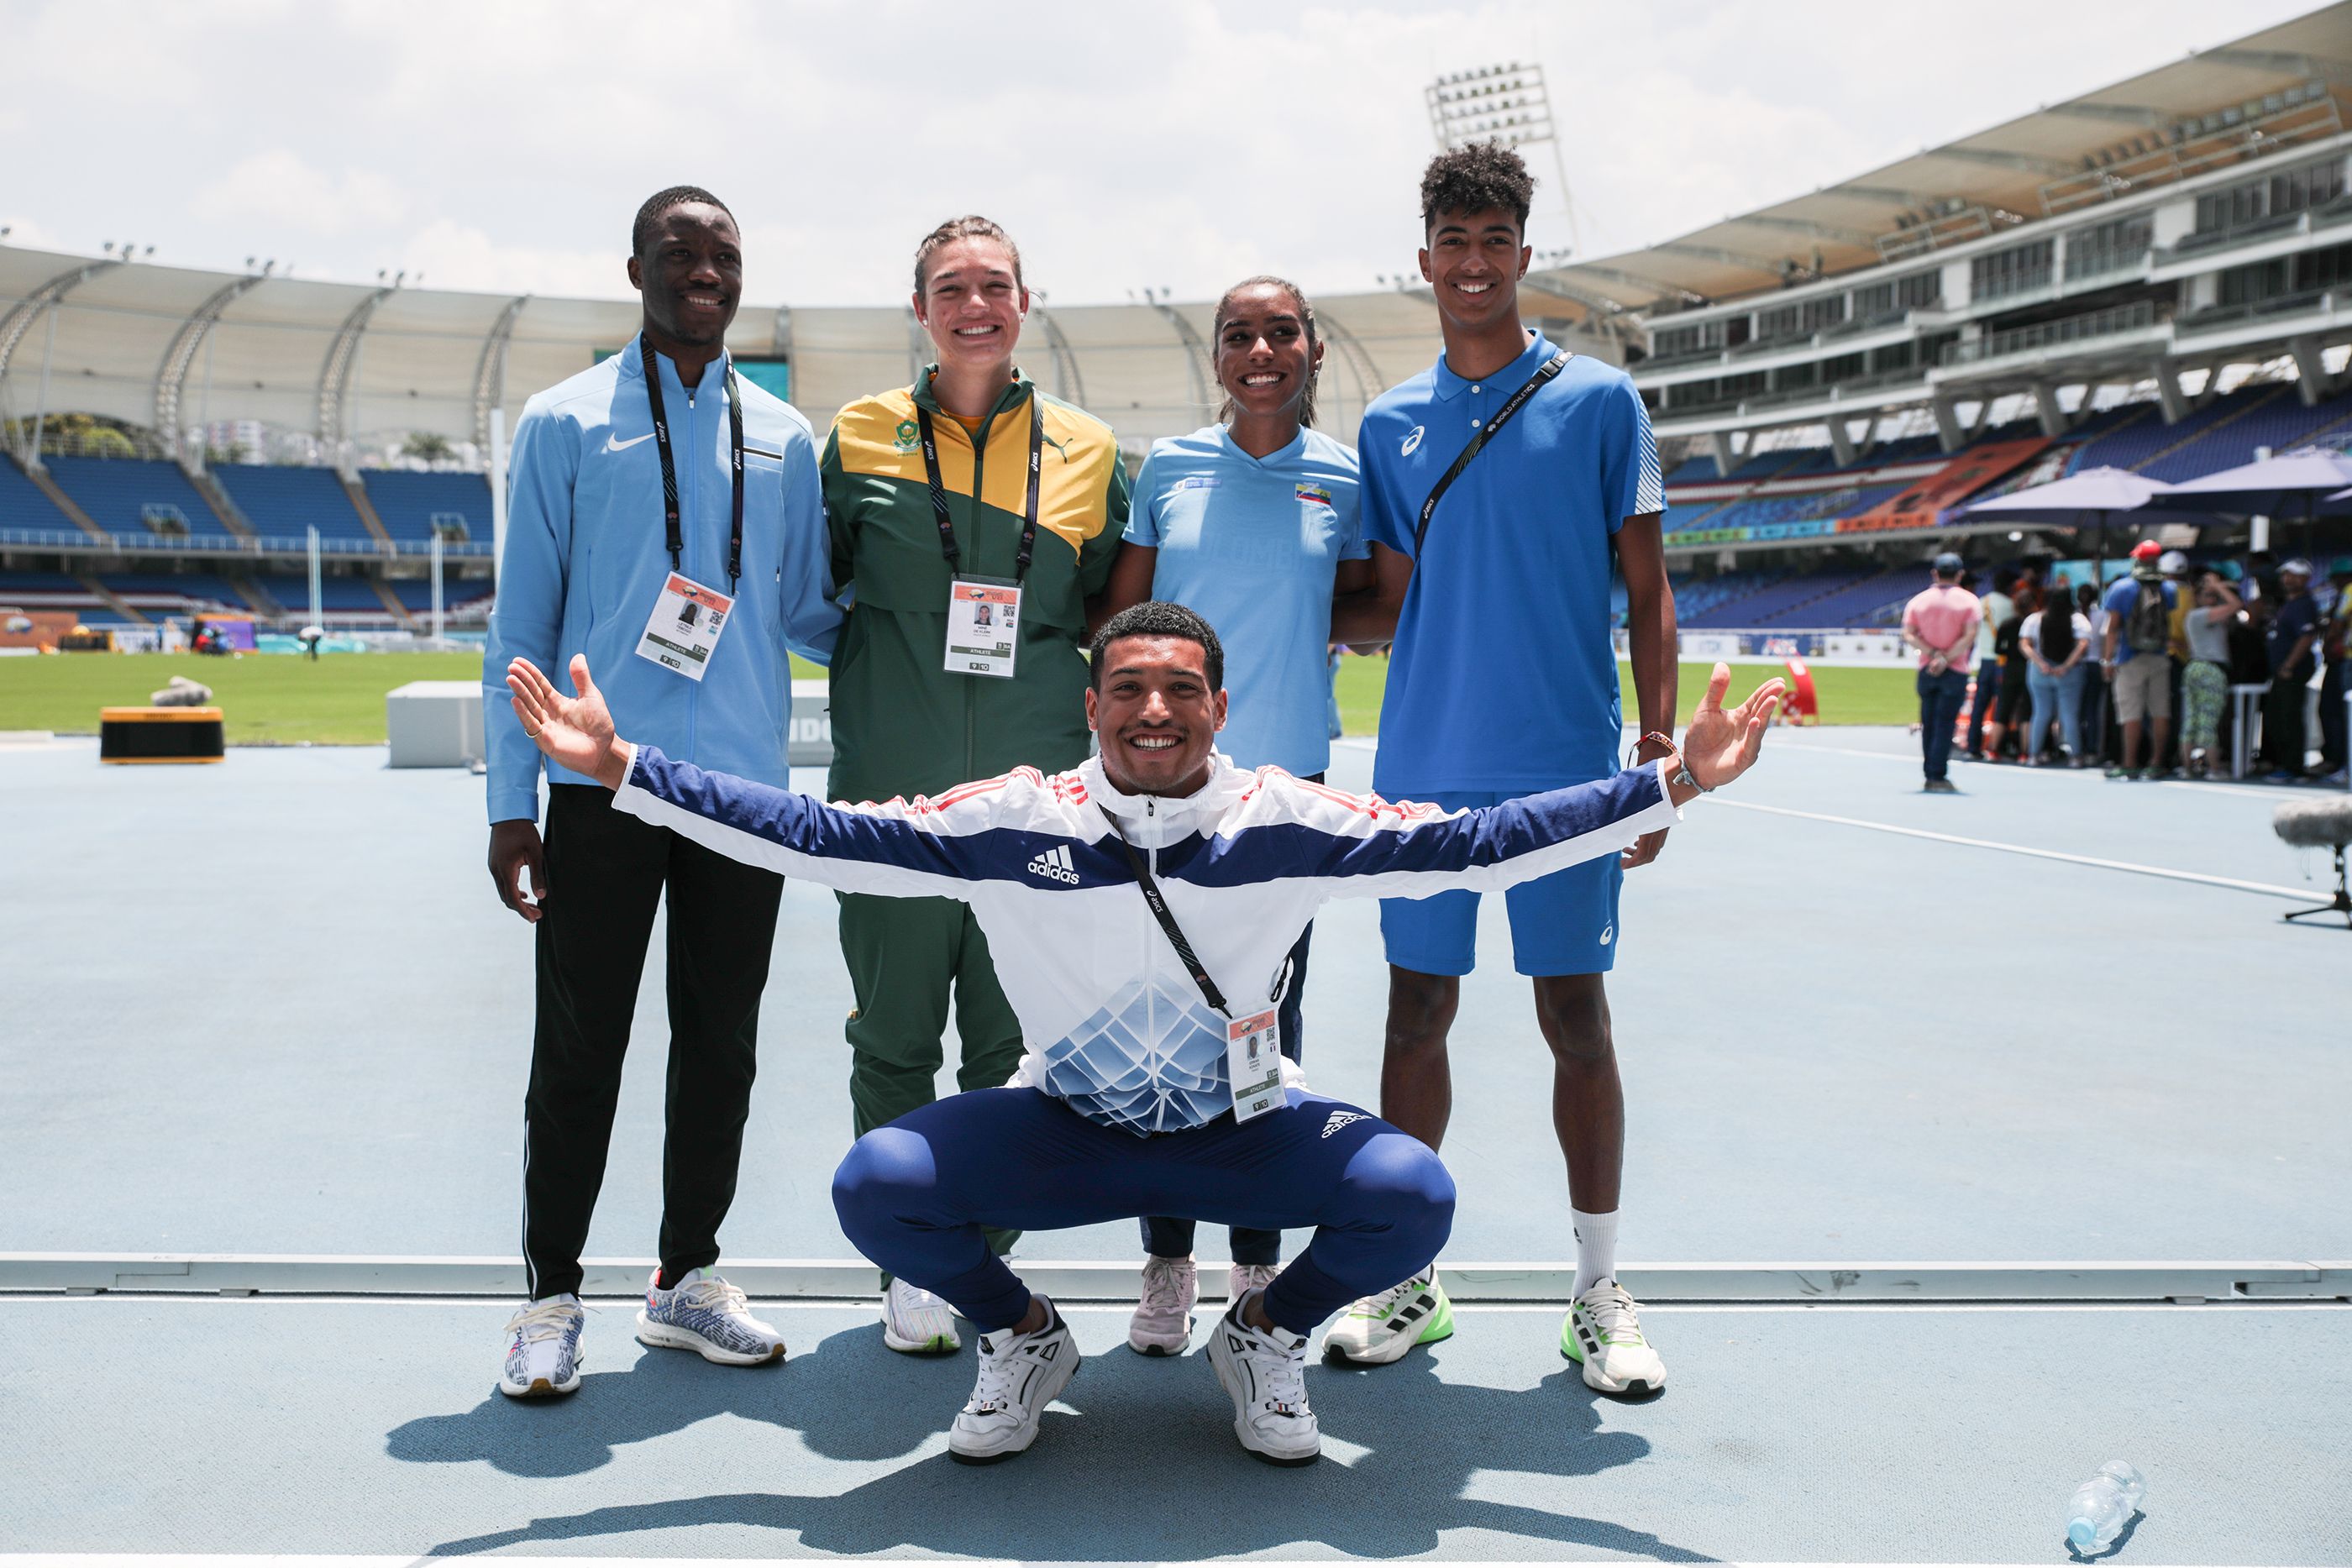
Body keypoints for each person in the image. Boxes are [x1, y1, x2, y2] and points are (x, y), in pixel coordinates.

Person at [498, 603, 1788, 1466]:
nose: (1153, 711)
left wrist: (1670, 783)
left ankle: (1265, 1333)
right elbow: (822, 835)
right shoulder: (1013, 816)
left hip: (1244, 1135)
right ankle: (1023, 1333)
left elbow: (1472, 843)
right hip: (1068, 1130)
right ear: (1092, 702)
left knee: (1411, 1192)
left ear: (1220, 704)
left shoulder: (1290, 815)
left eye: (1180, 690)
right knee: (878, 1181)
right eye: (1129, 689)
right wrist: (629, 774)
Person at [1334, 143, 1684, 1394]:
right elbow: (1379, 600)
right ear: (1424, 258)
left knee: (1575, 1016)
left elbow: (1649, 587)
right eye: (1454, 243)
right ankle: (1404, 1274)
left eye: (1495, 243)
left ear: (1524, 256)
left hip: (1563, 765)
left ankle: (1597, 1288)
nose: (1473, 264)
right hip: (1424, 763)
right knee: (1414, 1011)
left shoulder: (1600, 402)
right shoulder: (1383, 423)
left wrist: (1657, 744)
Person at [481, 186, 842, 1398]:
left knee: (721, 1046)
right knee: (578, 1048)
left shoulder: (786, 435)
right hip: (602, 786)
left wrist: (936, 635)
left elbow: (807, 611)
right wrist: (509, 800)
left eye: (724, 254)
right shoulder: (565, 423)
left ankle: (687, 1276)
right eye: (679, 253)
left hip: (739, 793)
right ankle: (550, 1294)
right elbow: (520, 624)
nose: (704, 272)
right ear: (633, 266)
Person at [821, 215, 1131, 1356]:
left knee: (1012, 1042)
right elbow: (824, 590)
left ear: (1023, 300)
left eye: (993, 283)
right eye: (951, 285)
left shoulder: (1093, 451)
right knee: (893, 1037)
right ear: (921, 307)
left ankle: (986, 1256)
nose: (974, 303)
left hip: (1034, 807)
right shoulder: (858, 438)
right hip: (892, 803)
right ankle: (909, 1261)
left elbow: (1103, 618)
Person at [1097, 275, 1375, 1353]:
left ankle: (1256, 1271)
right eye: (1238, 336)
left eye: (1279, 333)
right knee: (1156, 1020)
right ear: (1218, 358)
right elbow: (1125, 612)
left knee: (1265, 1022)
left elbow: (1366, 598)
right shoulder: (1165, 468)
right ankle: (1168, 1260)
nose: (1260, 350)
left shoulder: (1344, 479)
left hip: (1285, 789)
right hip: (1162, 787)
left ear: (1310, 349)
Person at [1901, 552, 1982, 793]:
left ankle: (1930, 772)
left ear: (1935, 573)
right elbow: (1969, 635)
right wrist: (1946, 658)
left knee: (1929, 722)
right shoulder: (1968, 601)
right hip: (1954, 668)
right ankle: (1938, 773)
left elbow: (1909, 633)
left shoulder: (1918, 601)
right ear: (1959, 574)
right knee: (1946, 723)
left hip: (1927, 667)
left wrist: (1933, 654)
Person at [2100, 540, 2179, 780]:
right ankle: (2156, 763)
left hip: (2129, 657)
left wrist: (2107, 661)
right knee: (2160, 712)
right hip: (2160, 657)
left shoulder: (2122, 588)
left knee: (2130, 713)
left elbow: (2113, 629)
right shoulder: (2169, 589)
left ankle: (2130, 763)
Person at [2263, 558, 2323, 781]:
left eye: (2294, 575)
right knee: (2275, 717)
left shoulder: (2304, 604)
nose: (2288, 579)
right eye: (2285, 575)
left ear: (2306, 579)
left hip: (2292, 671)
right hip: (2282, 671)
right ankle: (2285, 764)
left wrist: (2289, 665)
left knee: (2288, 718)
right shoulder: (2290, 603)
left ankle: (2293, 768)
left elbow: (2306, 637)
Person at [2180, 566, 2242, 779]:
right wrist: (2218, 585)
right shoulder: (2201, 615)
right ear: (2197, 597)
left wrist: (2220, 587)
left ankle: (2188, 768)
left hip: (2196, 667)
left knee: (2193, 720)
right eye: (2208, 595)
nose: (2213, 598)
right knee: (2207, 720)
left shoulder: (2203, 616)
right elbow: (2236, 605)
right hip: (2209, 669)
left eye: (2215, 596)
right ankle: (2214, 768)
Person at [2020, 587, 2092, 765]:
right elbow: (2082, 644)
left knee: (2041, 713)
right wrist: (2066, 666)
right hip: (2069, 673)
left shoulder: (2034, 619)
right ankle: (2076, 756)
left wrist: (2041, 663)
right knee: (2069, 715)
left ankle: (2033, 755)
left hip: (2039, 672)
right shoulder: (2078, 619)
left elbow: (2025, 645)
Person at [1966, 566, 2017, 759]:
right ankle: (1998, 746)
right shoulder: (2011, 605)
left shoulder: (1981, 602)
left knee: (1979, 706)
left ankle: (1973, 746)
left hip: (1984, 660)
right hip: (2003, 662)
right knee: (2002, 707)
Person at [2321, 559, 2350, 785]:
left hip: (2348, 660)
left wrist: (2329, 644)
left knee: (2344, 715)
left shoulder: (2349, 591)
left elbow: (2338, 624)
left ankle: (2346, 767)